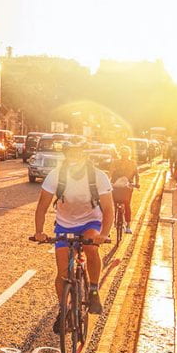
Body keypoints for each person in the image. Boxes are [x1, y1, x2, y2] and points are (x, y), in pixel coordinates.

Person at [33, 140, 115, 328]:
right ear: (66, 155)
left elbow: (109, 209)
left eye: (78, 153)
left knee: (90, 247)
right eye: (71, 153)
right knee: (62, 273)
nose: (74, 157)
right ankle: (64, 310)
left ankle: (93, 289)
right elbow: (42, 207)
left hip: (90, 221)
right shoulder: (56, 176)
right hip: (64, 225)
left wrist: (103, 234)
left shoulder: (98, 177)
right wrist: (39, 232)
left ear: (85, 155)